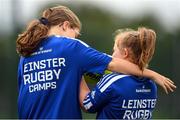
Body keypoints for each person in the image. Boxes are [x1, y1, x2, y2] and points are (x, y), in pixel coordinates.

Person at [16, 5, 175, 119]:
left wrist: (76, 73)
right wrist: (151, 73)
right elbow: (113, 64)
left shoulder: (26, 53)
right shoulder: (71, 46)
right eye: (76, 33)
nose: (77, 38)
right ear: (65, 25)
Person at [79, 27, 166, 119]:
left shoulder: (113, 81)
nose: (112, 55)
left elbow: (87, 105)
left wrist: (78, 74)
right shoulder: (151, 84)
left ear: (125, 53)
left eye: (114, 50)